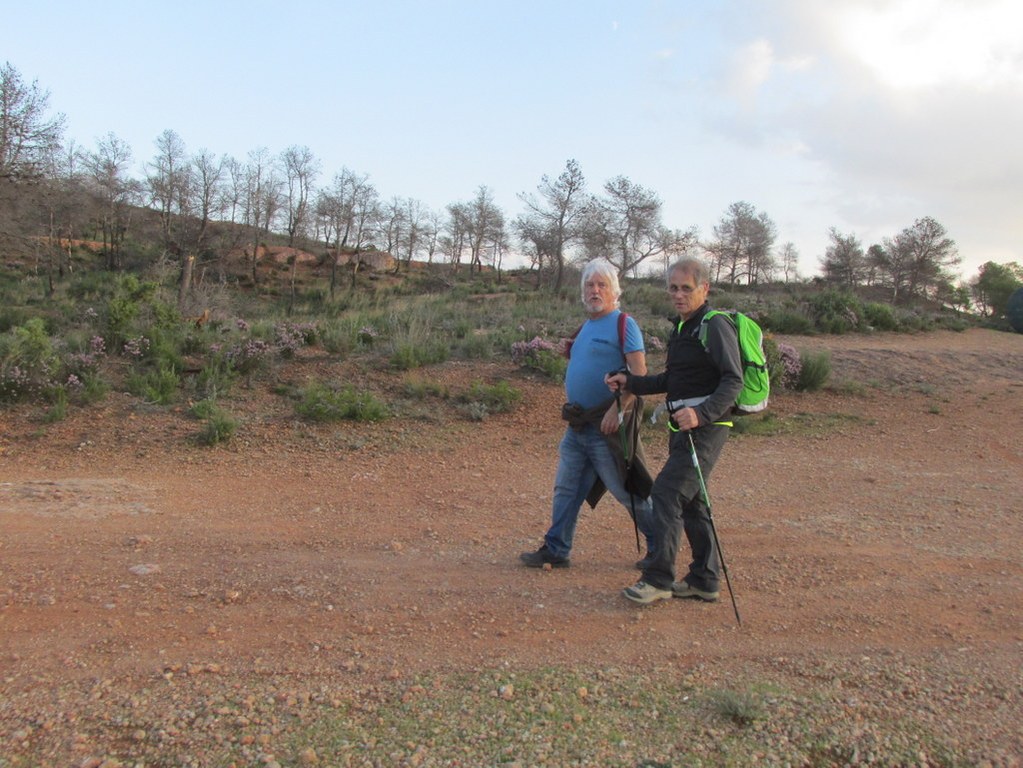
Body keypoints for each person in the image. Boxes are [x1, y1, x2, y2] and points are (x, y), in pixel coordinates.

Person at [606, 258, 743, 604]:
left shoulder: (715, 326)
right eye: (673, 288)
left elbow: (733, 380)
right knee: (693, 501)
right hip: (684, 427)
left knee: (667, 493)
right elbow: (672, 380)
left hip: (707, 428)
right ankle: (704, 579)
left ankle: (658, 579)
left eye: (686, 288)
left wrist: (700, 414)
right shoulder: (683, 329)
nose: (678, 295)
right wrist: (631, 381)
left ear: (704, 289)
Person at [520, 258, 655, 569]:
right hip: (578, 425)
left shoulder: (625, 323)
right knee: (566, 488)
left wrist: (617, 409)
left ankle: (661, 545)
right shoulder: (586, 327)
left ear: (613, 291)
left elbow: (640, 374)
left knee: (626, 491)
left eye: (601, 285)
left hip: (605, 427)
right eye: (589, 285)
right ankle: (556, 548)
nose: (594, 290)